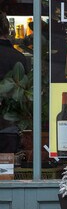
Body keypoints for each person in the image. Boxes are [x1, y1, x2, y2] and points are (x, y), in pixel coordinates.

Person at [0, 12, 29, 153]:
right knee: (8, 166)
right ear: (7, 29)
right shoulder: (18, 57)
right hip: (10, 124)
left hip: (10, 123)